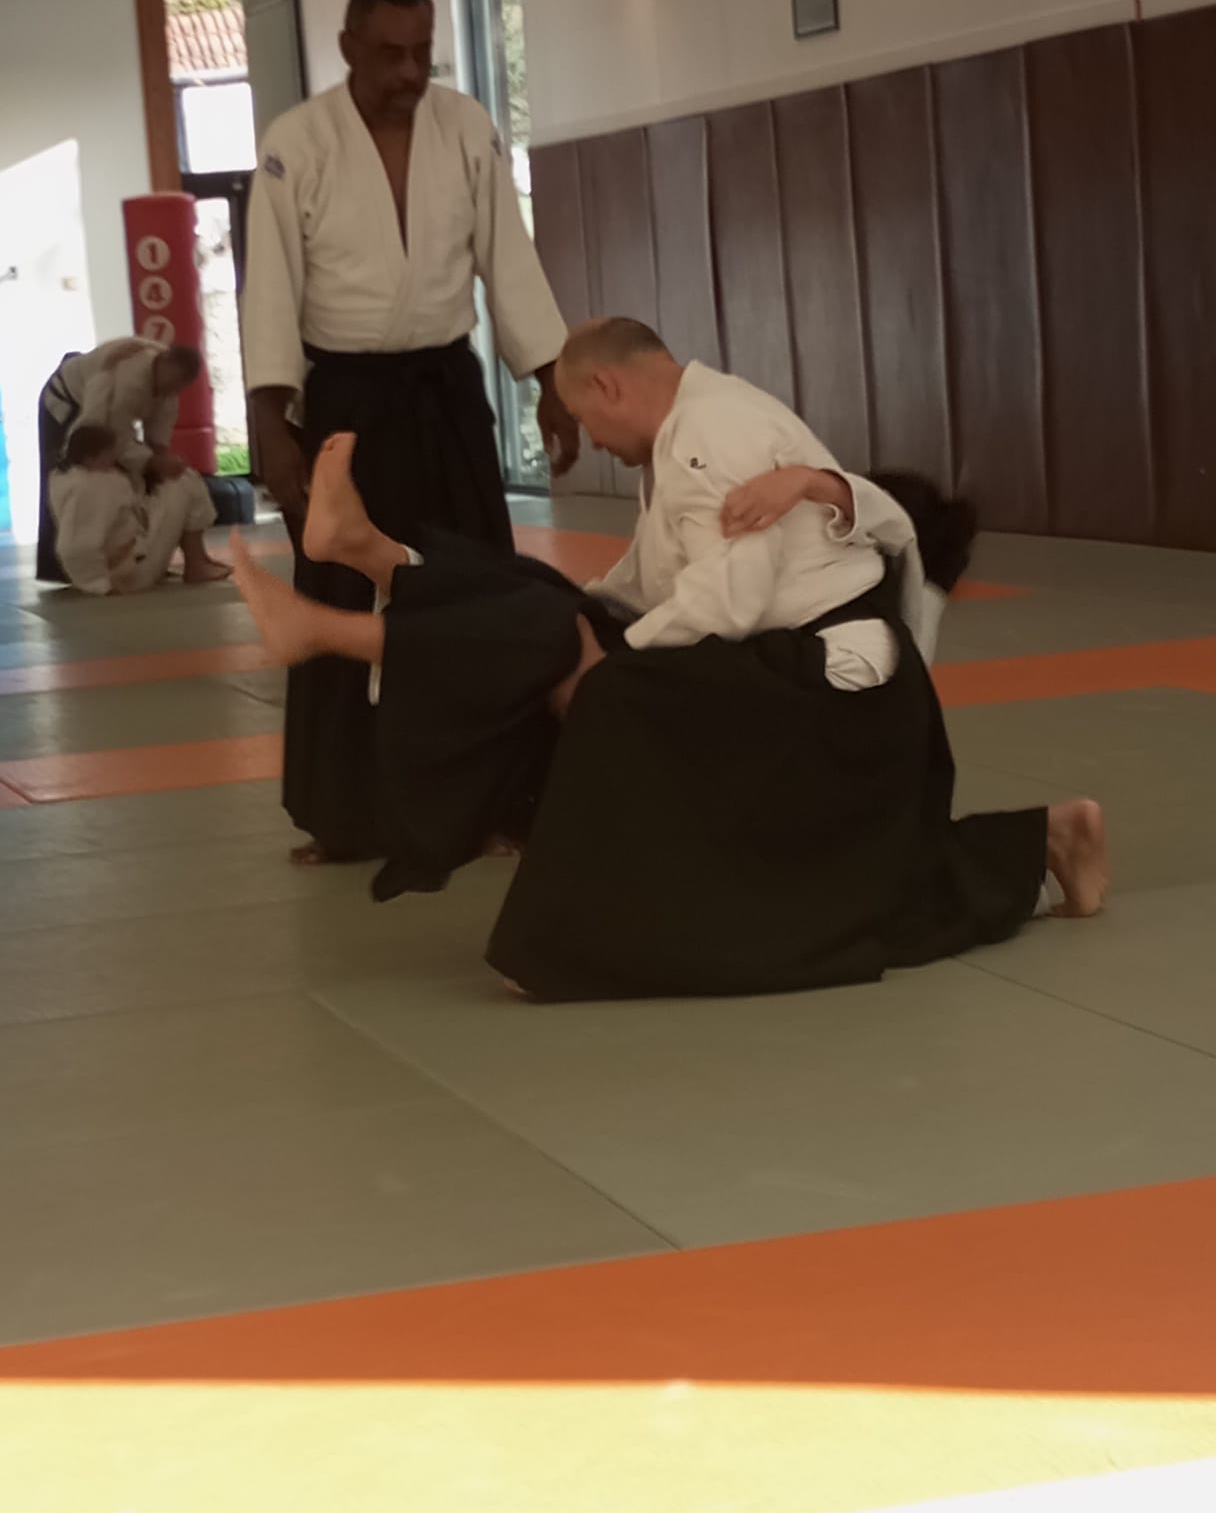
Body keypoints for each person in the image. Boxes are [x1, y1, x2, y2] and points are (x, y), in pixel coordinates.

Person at [227, 321, 1108, 1002]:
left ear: (608, 385)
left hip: (832, 696)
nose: (592, 440)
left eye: (584, 418)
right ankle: (373, 556)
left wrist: (600, 660)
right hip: (789, 666)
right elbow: (642, 587)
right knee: (547, 617)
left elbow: (726, 603)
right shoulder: (694, 426)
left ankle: (338, 615)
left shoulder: (710, 438)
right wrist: (575, 619)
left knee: (582, 671)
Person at [241, 0, 581, 867]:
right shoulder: (297, 142)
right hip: (347, 399)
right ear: (348, 48)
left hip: (446, 390)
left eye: (421, 53)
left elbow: (509, 255)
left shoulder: (465, 127)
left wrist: (549, 378)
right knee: (345, 593)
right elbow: (269, 289)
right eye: (389, 53)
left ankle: (505, 804)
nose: (407, 72)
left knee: (481, 592)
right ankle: (345, 814)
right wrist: (272, 422)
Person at [36, 337, 226, 586]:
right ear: (161, 363)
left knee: (170, 479)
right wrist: (151, 463)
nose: (171, 390)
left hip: (101, 411)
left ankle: (193, 560)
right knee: (78, 479)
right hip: (67, 402)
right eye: (170, 382)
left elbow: (157, 439)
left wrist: (163, 459)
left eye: (178, 386)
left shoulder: (169, 387)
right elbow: (111, 435)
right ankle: (70, 568)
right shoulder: (126, 378)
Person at [47, 423, 219, 597]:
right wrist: (98, 584)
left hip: (124, 561)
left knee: (178, 483)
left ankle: (197, 563)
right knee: (183, 481)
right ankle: (197, 563)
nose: (114, 459)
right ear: (90, 458)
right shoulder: (92, 487)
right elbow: (77, 546)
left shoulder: (70, 479)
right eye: (109, 454)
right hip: (127, 573)